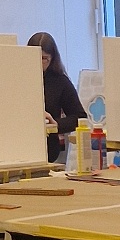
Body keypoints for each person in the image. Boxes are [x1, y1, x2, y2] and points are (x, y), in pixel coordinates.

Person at [27, 31, 85, 164]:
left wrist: (56, 123)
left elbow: (80, 117)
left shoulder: (60, 81)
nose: (39, 63)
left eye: (44, 58)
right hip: (20, 144)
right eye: (35, 57)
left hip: (48, 149)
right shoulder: (16, 78)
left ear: (52, 58)